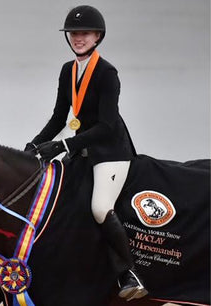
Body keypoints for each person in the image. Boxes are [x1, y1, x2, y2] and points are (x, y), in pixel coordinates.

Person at [25, 5, 146, 301]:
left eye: (85, 33)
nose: (78, 38)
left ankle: (128, 273)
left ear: (97, 36)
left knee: (99, 207)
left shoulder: (107, 73)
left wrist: (64, 145)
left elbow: (106, 125)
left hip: (111, 151)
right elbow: (58, 117)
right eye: (74, 33)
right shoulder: (68, 71)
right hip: (83, 149)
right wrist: (34, 144)